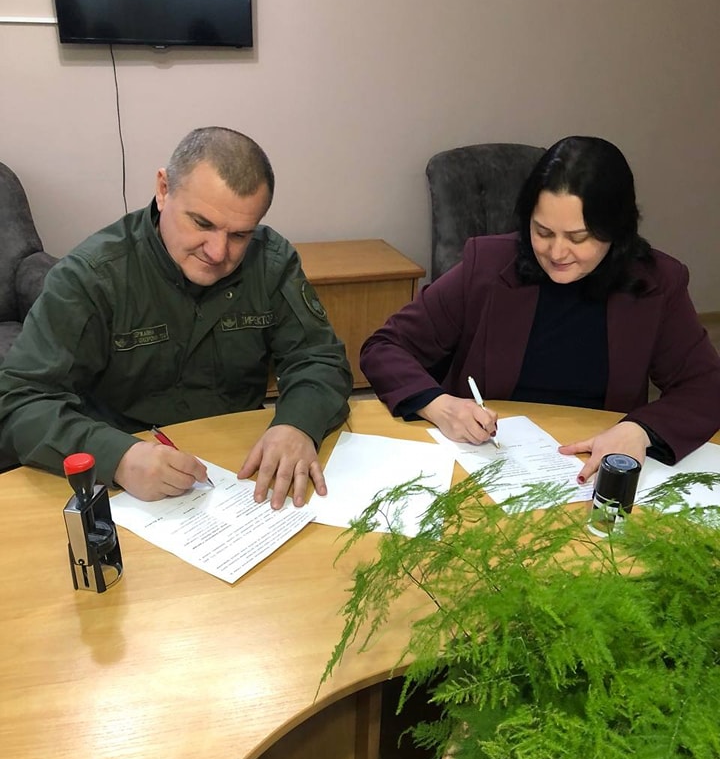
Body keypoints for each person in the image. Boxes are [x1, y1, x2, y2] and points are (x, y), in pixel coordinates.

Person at [0, 127, 352, 508]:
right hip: (125, 483)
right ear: (163, 189)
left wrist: (297, 424)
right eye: (202, 224)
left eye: (239, 235)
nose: (217, 252)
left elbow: (319, 358)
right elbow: (18, 402)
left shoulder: (270, 262)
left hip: (237, 475)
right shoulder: (92, 276)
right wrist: (118, 457)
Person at [360, 136, 720, 482]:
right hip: (486, 463)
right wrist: (438, 404)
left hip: (590, 467)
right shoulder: (487, 265)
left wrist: (639, 431)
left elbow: (706, 385)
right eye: (543, 232)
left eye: (578, 238)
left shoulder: (657, 283)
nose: (557, 253)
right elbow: (385, 347)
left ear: (616, 230)